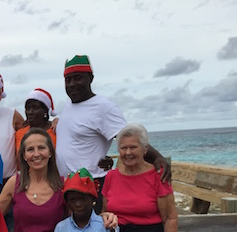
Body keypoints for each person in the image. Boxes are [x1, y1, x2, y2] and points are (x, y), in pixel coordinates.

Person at [55, 55, 170, 212]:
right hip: (66, 187)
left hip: (89, 187)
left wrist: (157, 157)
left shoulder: (103, 107)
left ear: (90, 78)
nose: (72, 84)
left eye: (77, 78)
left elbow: (128, 138)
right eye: (68, 80)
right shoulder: (68, 107)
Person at [15, 88, 57, 154]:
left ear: (45, 111)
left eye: (35, 108)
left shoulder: (56, 131)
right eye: (28, 108)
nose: (30, 112)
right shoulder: (19, 134)